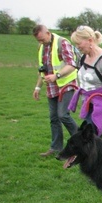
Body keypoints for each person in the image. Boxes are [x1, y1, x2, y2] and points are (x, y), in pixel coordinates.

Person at [32, 24, 79, 157]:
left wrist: (56, 76)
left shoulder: (62, 43)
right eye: (38, 41)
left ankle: (83, 143)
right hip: (51, 87)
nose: (41, 42)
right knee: (54, 118)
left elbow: (71, 64)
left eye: (42, 39)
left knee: (63, 115)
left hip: (66, 84)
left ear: (48, 33)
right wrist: (37, 87)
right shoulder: (41, 47)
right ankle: (56, 148)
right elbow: (42, 69)